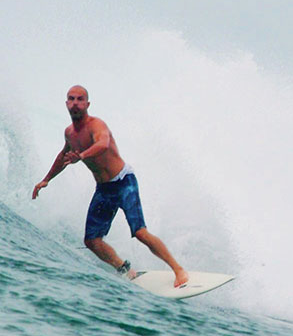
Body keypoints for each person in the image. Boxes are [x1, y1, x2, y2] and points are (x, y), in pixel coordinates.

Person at [32, 85, 189, 287]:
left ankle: (178, 270)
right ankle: (125, 269)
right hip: (104, 190)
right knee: (92, 241)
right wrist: (46, 179)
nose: (75, 103)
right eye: (71, 99)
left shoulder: (97, 125)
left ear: (87, 104)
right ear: (66, 104)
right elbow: (63, 156)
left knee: (140, 233)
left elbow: (103, 144)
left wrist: (81, 156)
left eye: (80, 99)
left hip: (124, 182)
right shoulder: (69, 133)